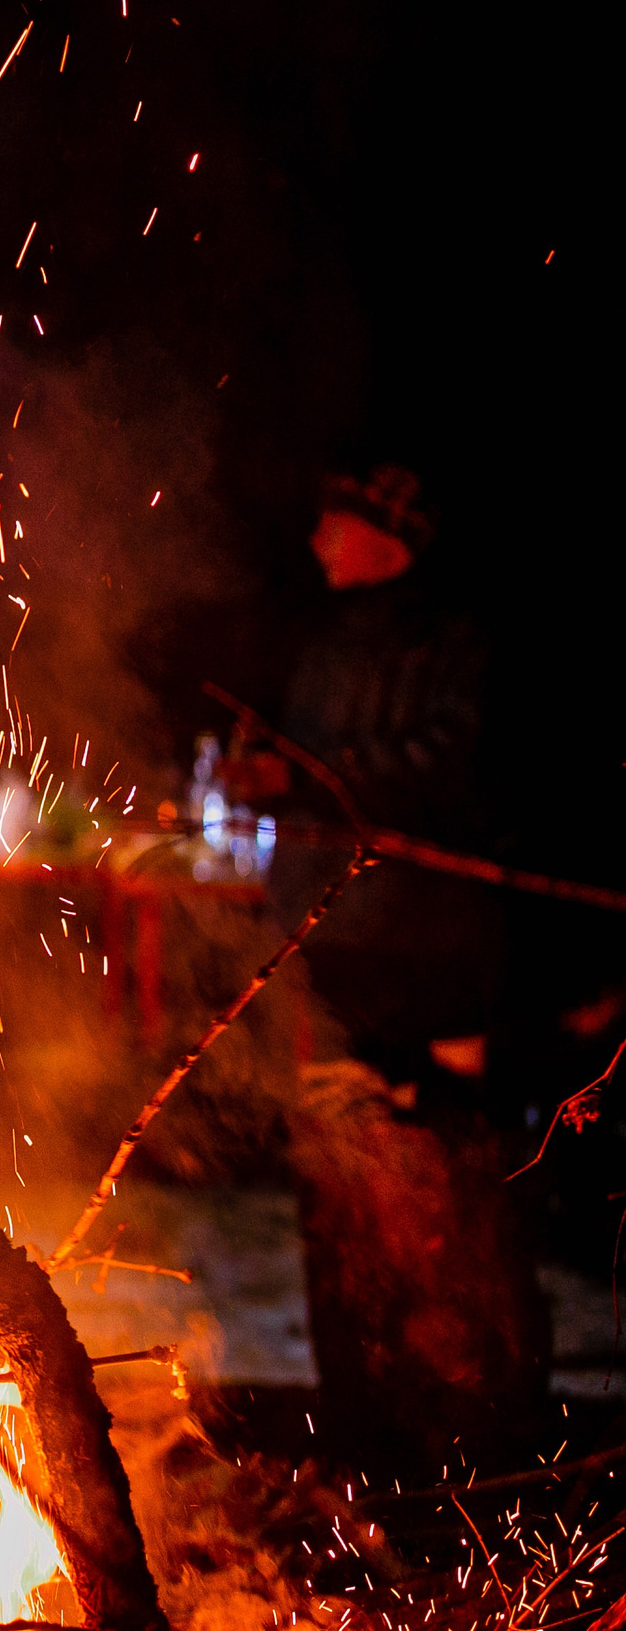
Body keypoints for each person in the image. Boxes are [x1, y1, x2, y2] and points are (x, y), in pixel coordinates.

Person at [262, 465, 542, 1457]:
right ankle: (356, 1412)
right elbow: (295, 779)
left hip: (434, 959)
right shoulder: (321, 646)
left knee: (447, 1175)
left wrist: (323, 783)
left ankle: (480, 1415)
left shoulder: (456, 642)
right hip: (336, 957)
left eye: (332, 522)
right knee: (339, 1182)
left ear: (384, 535)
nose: (315, 541)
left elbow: (453, 766)